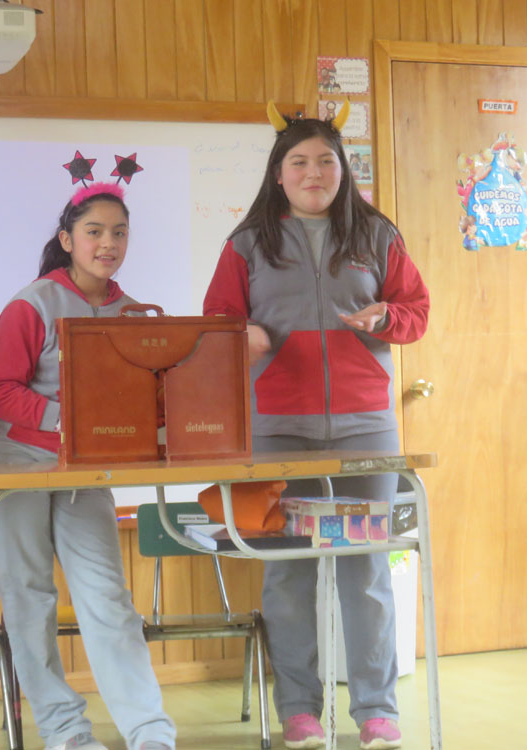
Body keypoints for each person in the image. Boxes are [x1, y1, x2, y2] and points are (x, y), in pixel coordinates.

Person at [203, 108, 429, 750]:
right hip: (277, 428)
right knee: (289, 573)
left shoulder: (376, 234)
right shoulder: (248, 243)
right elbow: (216, 323)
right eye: (299, 162)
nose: (313, 173)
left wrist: (386, 317)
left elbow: (416, 311)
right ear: (278, 174)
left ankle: (377, 711)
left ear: (343, 170)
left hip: (365, 428)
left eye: (326, 161)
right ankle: (299, 710)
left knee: (365, 569)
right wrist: (243, 336)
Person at [0, 183, 175, 750]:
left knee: (108, 599)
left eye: (119, 233)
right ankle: (66, 734)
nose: (108, 243)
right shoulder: (32, 304)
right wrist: (74, 420)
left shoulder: (134, 314)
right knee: (30, 599)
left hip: (83, 466)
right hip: (10, 460)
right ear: (67, 239)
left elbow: (144, 398)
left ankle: (151, 733)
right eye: (94, 232)